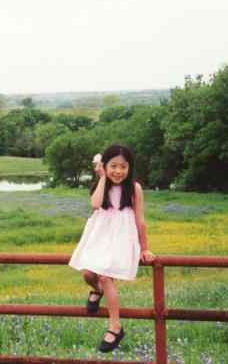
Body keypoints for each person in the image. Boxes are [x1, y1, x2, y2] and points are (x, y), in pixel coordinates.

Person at [68, 143, 155, 353]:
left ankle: (115, 326)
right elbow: (96, 204)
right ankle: (96, 290)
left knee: (106, 276)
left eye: (123, 167)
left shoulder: (134, 188)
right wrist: (102, 177)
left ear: (129, 168)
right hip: (100, 236)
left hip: (122, 237)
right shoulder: (102, 184)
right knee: (89, 274)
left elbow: (141, 220)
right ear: (105, 166)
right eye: (113, 166)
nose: (118, 171)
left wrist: (145, 248)